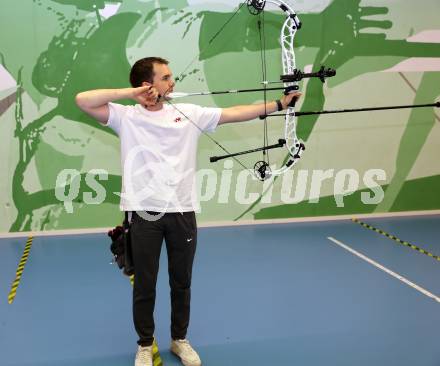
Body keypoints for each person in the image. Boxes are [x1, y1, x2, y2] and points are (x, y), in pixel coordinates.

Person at [75, 57, 300, 366]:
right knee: (145, 284)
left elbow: (234, 114)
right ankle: (144, 344)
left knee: (181, 281)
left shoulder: (189, 113)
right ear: (148, 84)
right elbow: (82, 100)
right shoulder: (124, 117)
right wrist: (131, 94)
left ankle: (180, 340)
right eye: (166, 77)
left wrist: (278, 104)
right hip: (143, 214)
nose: (173, 82)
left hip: (182, 212)